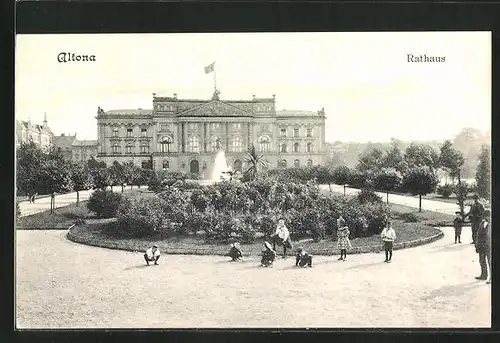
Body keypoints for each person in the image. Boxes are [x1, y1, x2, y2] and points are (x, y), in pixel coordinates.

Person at [474, 210, 491, 283]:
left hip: (489, 246)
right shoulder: (482, 223)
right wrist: (477, 245)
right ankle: (484, 275)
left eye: (488, 216)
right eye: (485, 216)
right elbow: (478, 235)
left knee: (490, 262)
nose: (486, 218)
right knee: (482, 261)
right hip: (481, 246)